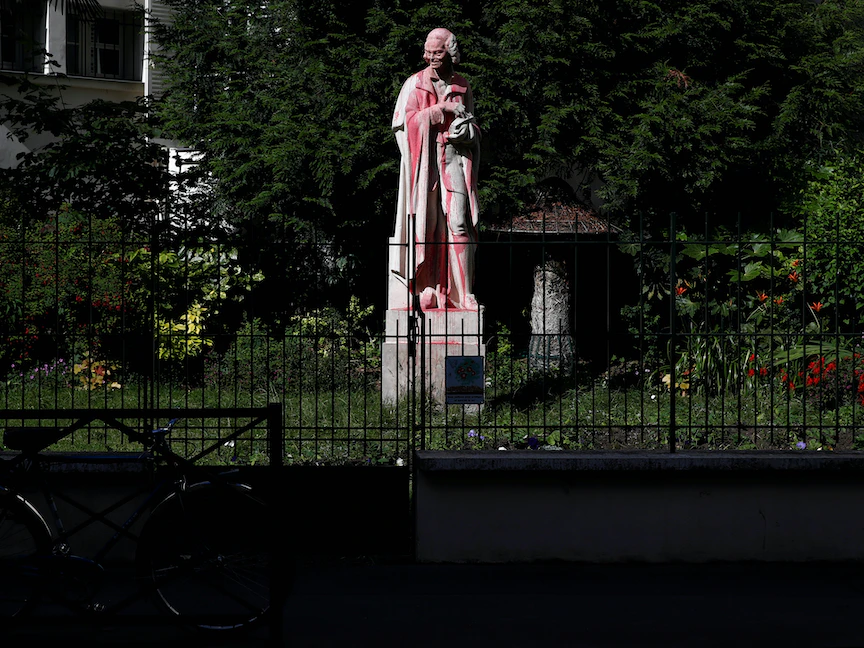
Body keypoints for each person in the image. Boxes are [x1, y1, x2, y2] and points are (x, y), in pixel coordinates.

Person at [389, 27, 480, 311]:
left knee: (459, 223)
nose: (431, 58)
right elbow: (403, 126)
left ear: (450, 53)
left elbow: (475, 128)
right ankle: (424, 288)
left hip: (453, 160)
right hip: (424, 165)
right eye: (428, 53)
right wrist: (442, 110)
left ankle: (464, 294)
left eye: (438, 52)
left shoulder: (463, 86)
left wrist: (467, 132)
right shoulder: (414, 84)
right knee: (425, 228)